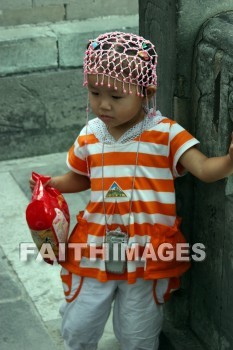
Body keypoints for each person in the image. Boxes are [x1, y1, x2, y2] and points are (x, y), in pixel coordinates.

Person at [30, 31, 233, 350]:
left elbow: (205, 170)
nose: (103, 104)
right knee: (80, 322)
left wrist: (229, 161)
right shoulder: (90, 135)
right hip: (95, 247)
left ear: (145, 91)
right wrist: (54, 184)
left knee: (138, 329)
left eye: (116, 97)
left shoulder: (165, 134)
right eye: (95, 93)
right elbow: (82, 177)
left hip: (147, 252)